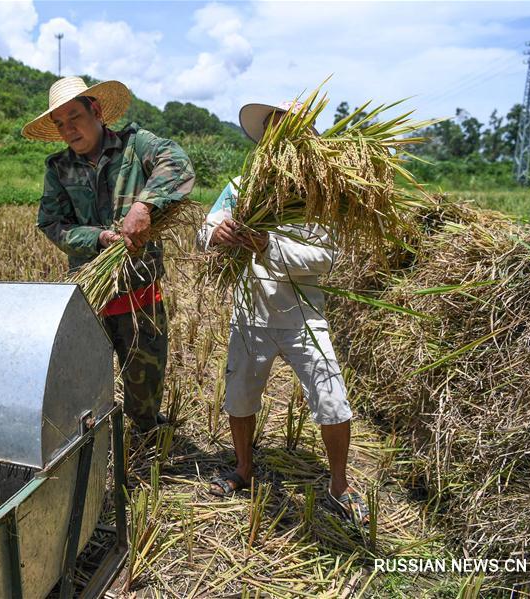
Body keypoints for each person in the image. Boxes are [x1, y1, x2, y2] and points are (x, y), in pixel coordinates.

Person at [198, 100, 368, 525]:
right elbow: (204, 230)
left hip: (304, 319)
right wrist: (216, 233)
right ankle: (243, 468)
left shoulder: (319, 196)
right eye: (273, 131)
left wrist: (266, 246)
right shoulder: (242, 187)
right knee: (239, 396)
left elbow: (325, 259)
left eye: (290, 131)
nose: (281, 139)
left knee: (332, 401)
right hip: (250, 313)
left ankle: (339, 485)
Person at [24, 76, 195, 432]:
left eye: (75, 117)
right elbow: (52, 223)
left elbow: (177, 163)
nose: (69, 129)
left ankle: (146, 440)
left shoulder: (137, 146)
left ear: (97, 111)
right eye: (60, 124)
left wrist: (145, 205)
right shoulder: (59, 169)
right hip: (91, 298)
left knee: (144, 388)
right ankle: (94, 451)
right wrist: (97, 238)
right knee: (86, 387)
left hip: (140, 297)